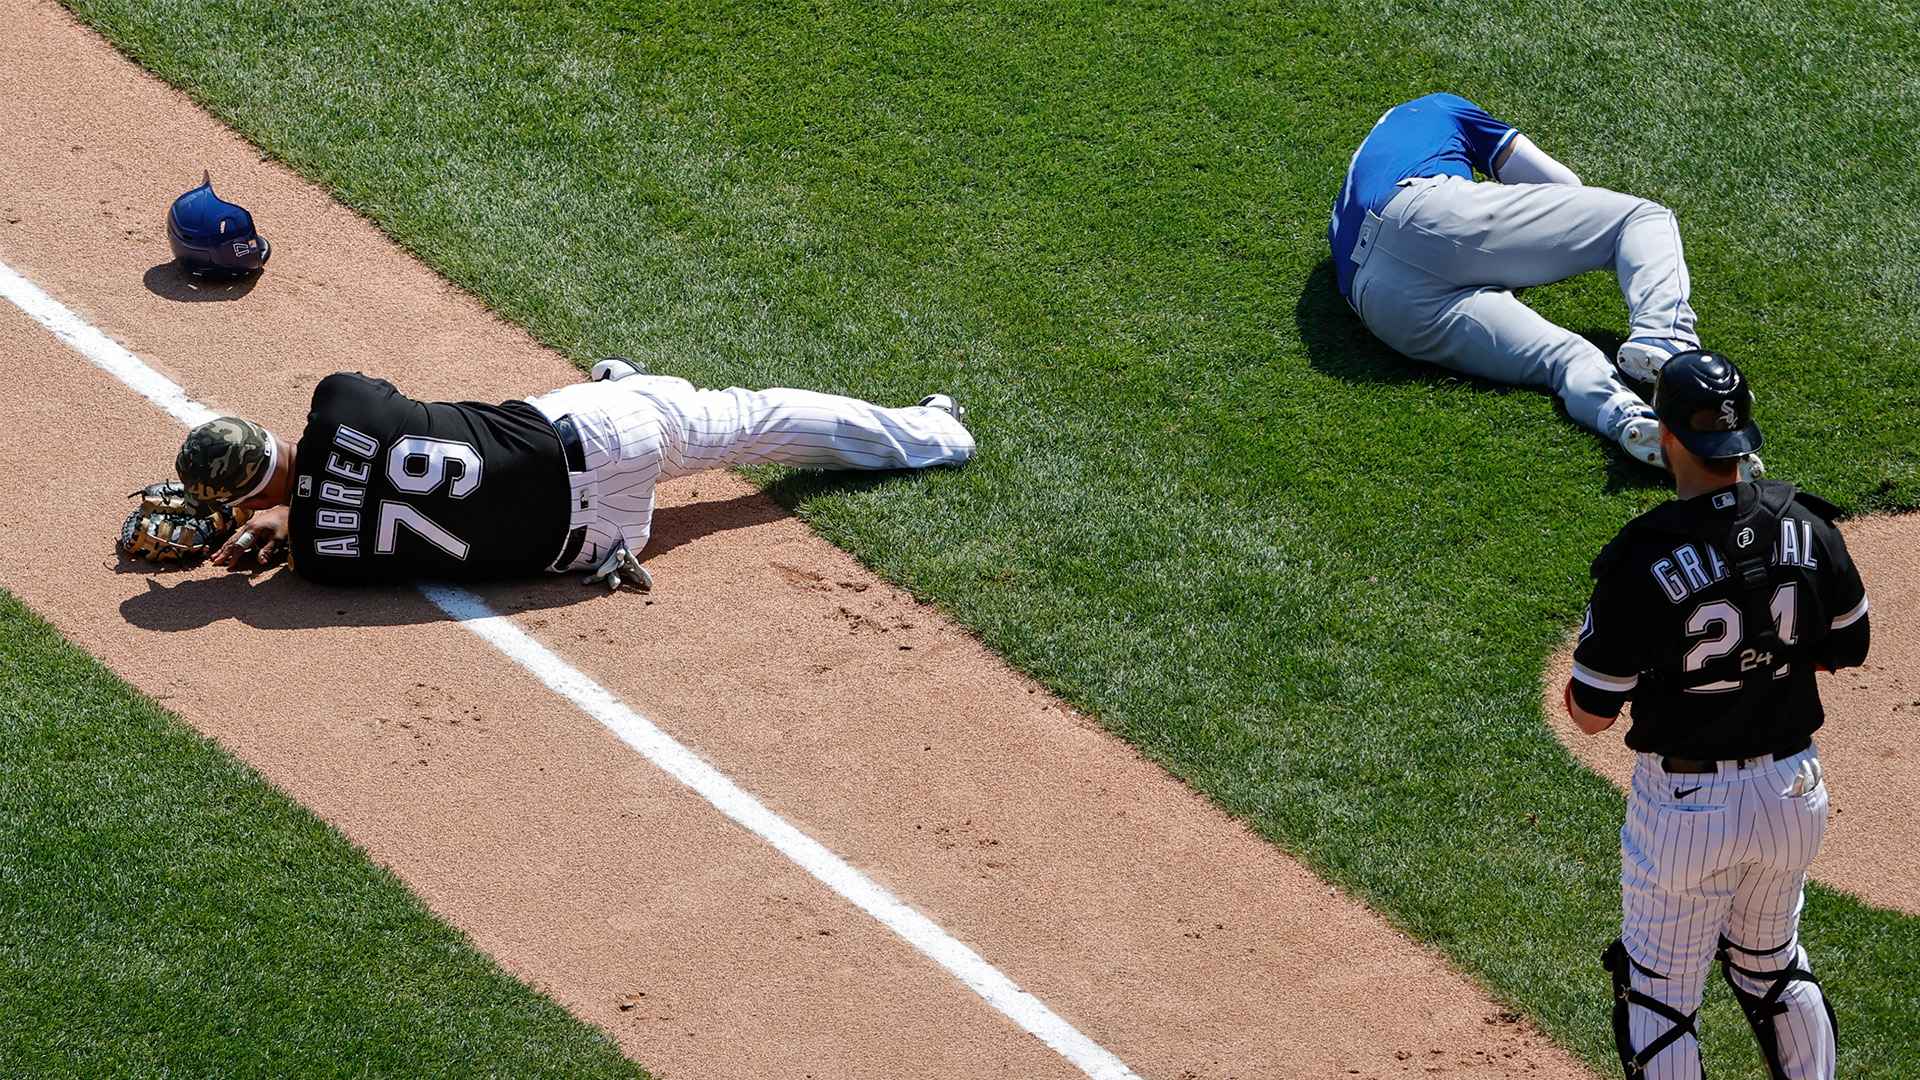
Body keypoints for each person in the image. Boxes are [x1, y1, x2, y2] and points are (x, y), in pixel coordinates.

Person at [1564, 351, 1869, 1079]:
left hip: (1687, 809)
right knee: (1772, 965)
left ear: (1666, 435)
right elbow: (1848, 644)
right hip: (1794, 793)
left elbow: (1592, 716)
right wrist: (1764, 668)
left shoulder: (1643, 562)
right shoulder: (1809, 525)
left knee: (1662, 994)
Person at [178, 357, 974, 588]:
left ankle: (626, 383)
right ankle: (937, 433)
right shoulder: (341, 402)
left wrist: (290, 519)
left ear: (245, 504)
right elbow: (352, 455)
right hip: (606, 437)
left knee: (597, 411)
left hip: (601, 546)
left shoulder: (318, 564)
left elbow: (327, 514)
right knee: (749, 420)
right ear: (265, 431)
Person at [1329, 93, 1757, 476]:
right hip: (1423, 214)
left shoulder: (1375, 160)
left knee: (1561, 357)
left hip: (1377, 301)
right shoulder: (1443, 107)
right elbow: (1564, 187)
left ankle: (1630, 419)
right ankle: (1665, 337)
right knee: (1638, 219)